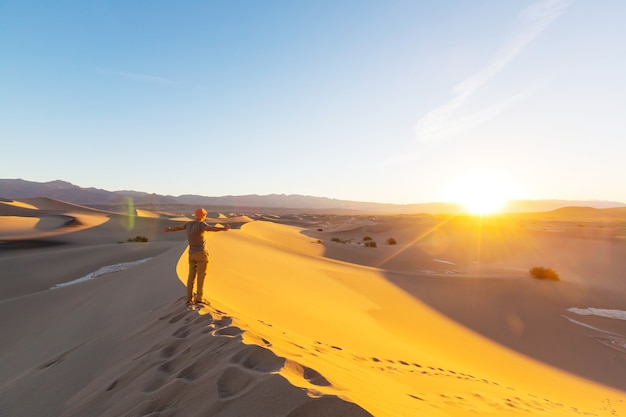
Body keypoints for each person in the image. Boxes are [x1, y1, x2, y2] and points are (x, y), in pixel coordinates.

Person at [163, 208, 230, 305]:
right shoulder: (201, 225)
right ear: (203, 215)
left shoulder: (189, 224)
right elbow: (210, 228)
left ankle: (189, 299)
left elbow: (179, 227)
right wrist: (223, 229)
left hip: (191, 254)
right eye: (205, 215)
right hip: (201, 254)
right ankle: (199, 298)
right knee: (201, 276)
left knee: (191, 277)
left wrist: (169, 229)